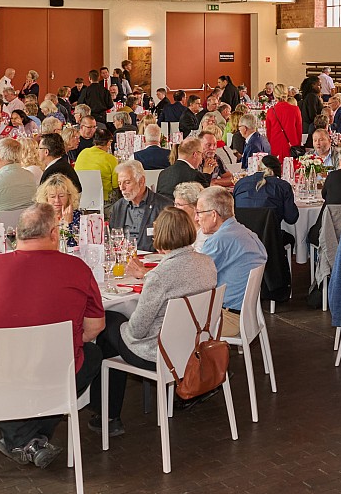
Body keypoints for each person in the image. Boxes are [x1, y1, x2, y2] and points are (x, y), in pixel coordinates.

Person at [0, 203, 104, 468]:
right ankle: (33, 440)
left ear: (17, 234)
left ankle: (22, 440)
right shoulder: (78, 269)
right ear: (54, 233)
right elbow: (95, 327)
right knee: (91, 354)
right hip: (55, 377)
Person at [90, 207, 218, 436]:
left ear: (160, 237)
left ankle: (107, 415)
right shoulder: (206, 262)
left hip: (161, 354)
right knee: (114, 326)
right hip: (195, 346)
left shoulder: (160, 276)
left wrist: (124, 324)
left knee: (107, 322)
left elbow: (138, 332)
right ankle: (107, 415)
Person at [197, 186, 268, 336]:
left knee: (169, 321)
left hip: (229, 318)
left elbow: (194, 278)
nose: (197, 218)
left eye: (199, 212)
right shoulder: (248, 233)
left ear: (214, 215)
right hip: (250, 314)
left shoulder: (220, 241)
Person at [109, 159, 173, 252]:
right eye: (119, 183)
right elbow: (112, 239)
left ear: (141, 181)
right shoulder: (118, 207)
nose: (122, 188)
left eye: (127, 182)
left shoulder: (164, 206)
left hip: (153, 260)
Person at [233, 154, 299, 228]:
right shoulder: (283, 186)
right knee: (290, 238)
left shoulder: (240, 184)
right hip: (270, 237)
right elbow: (291, 218)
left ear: (259, 167)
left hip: (242, 236)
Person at [74, 128, 118, 203]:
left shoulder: (83, 153)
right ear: (108, 143)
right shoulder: (111, 159)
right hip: (104, 199)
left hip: (82, 197)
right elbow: (116, 185)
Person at [37, 173, 82, 243]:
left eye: (61, 196)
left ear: (69, 197)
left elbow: (74, 243)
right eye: (52, 196)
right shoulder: (42, 218)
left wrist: (67, 223)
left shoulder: (77, 216)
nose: (57, 200)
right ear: (46, 198)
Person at [265, 84, 303, 161]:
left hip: (275, 144)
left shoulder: (271, 111)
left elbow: (268, 132)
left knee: (277, 168)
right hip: (292, 144)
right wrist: (297, 145)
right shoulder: (295, 109)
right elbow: (299, 130)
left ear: (275, 95)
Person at [299, 76, 324, 143]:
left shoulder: (308, 96)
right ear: (312, 85)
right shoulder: (312, 96)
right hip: (310, 127)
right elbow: (312, 114)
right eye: (319, 85)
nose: (321, 87)